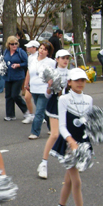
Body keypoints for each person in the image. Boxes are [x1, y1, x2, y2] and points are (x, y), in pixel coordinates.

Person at [51, 68, 95, 206]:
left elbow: (88, 123)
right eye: (76, 80)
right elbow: (62, 126)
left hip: (83, 143)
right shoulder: (64, 99)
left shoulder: (89, 99)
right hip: (69, 144)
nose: (80, 83)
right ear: (69, 82)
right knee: (76, 182)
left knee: (69, 180)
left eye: (83, 80)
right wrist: (71, 143)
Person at [37, 49, 71, 179]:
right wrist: (50, 86)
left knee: (70, 134)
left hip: (69, 105)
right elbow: (47, 95)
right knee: (55, 134)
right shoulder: (52, 73)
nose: (65, 60)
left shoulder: (71, 73)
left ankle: (72, 159)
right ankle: (43, 163)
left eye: (67, 58)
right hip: (55, 105)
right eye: (63, 58)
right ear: (57, 59)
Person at [24, 42, 55, 140]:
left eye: (45, 49)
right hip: (34, 88)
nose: (41, 51)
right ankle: (53, 127)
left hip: (44, 89)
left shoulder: (50, 62)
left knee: (39, 111)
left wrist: (50, 85)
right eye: (41, 48)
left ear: (48, 52)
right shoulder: (32, 59)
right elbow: (29, 72)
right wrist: (26, 83)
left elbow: (54, 74)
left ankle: (35, 132)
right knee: (43, 110)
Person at [3, 36, 29, 121]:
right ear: (8, 44)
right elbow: (3, 60)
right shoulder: (6, 52)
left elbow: (26, 62)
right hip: (8, 76)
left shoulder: (20, 52)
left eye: (16, 44)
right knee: (8, 96)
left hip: (18, 76)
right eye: (12, 44)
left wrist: (18, 65)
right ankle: (10, 115)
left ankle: (26, 110)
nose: (14, 45)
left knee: (15, 95)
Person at [21, 40, 40, 124]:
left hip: (39, 82)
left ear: (34, 48)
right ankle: (31, 115)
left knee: (39, 100)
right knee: (27, 97)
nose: (27, 48)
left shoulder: (39, 56)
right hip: (32, 81)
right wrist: (26, 82)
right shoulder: (30, 57)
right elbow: (29, 70)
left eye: (29, 47)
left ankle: (41, 116)